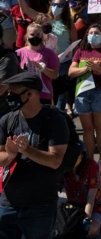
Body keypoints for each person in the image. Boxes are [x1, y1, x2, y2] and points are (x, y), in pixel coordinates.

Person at [0, 73, 69, 239]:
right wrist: (10, 155)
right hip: (8, 204)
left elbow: (55, 160)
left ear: (29, 94)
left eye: (13, 93)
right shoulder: (7, 120)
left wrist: (27, 150)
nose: (8, 96)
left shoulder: (54, 120)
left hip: (41, 206)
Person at [68, 24, 101, 174]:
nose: (93, 35)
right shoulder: (80, 51)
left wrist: (98, 69)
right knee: (87, 129)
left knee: (100, 128)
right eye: (90, 33)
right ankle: (90, 160)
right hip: (83, 93)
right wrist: (84, 69)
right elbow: (71, 72)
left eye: (96, 33)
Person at [64, 147, 101, 238]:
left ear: (82, 156)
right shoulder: (64, 167)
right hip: (72, 208)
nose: (72, 159)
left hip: (95, 209)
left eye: (76, 156)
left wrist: (86, 220)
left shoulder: (92, 166)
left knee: (90, 230)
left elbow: (90, 199)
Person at [15, 23, 59, 104]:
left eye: (38, 34)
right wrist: (24, 68)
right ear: (27, 36)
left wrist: (42, 68)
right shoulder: (18, 53)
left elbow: (55, 75)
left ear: (42, 36)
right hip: (24, 94)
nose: (35, 37)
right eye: (32, 34)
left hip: (43, 94)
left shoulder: (49, 53)